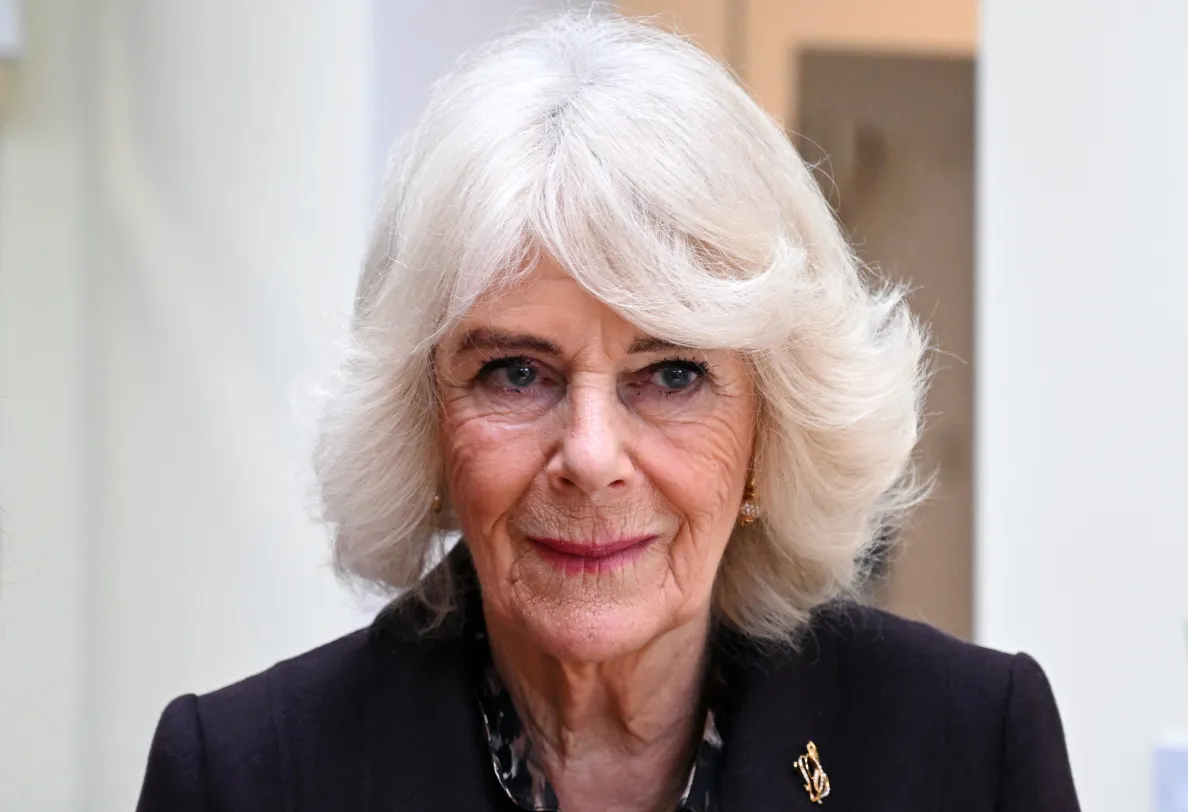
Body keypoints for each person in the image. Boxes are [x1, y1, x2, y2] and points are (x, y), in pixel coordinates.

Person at [136, 13, 1079, 812]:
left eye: (670, 375)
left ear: (770, 427)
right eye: (514, 372)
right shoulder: (244, 777)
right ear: (422, 420)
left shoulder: (968, 749)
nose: (590, 457)